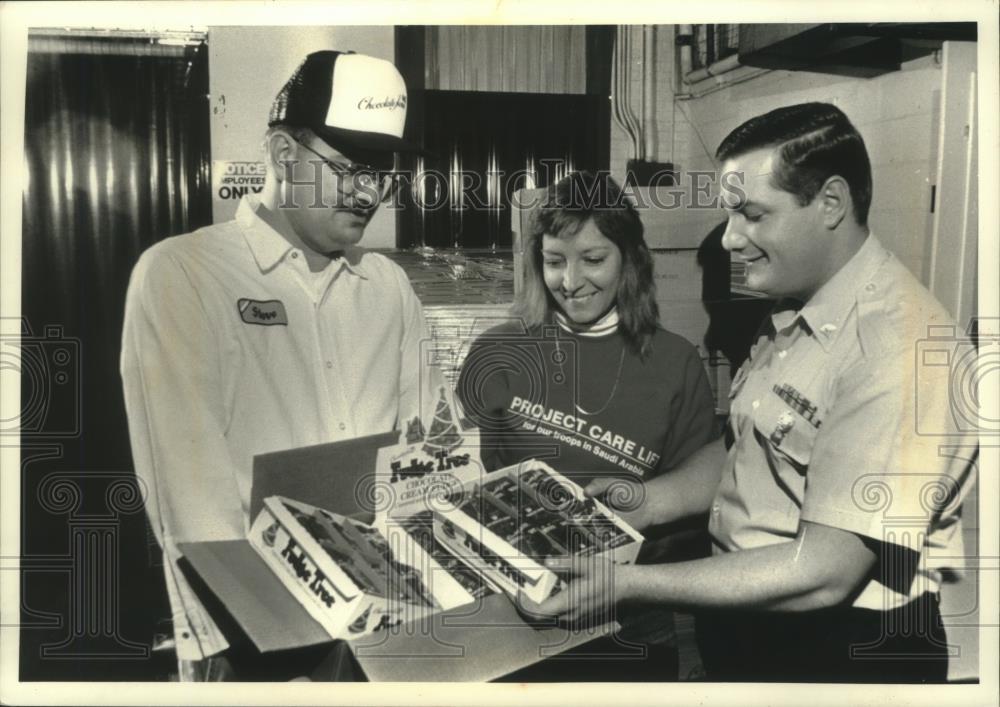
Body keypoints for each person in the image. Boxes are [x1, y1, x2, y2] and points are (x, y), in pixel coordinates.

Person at [534, 103, 978, 683]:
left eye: (752, 215)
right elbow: (747, 449)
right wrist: (642, 502)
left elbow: (825, 571)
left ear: (831, 204)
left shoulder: (898, 347)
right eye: (729, 214)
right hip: (755, 625)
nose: (729, 239)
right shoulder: (801, 309)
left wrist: (626, 584)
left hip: (841, 652)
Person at [120, 50, 441, 680]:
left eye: (382, 172)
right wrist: (268, 641)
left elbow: (425, 447)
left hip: (387, 624)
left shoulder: (389, 288)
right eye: (348, 168)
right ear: (283, 155)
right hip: (250, 636)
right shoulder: (183, 276)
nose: (369, 192)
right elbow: (192, 499)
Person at [457, 171, 718, 681]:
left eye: (593, 260)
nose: (571, 282)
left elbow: (700, 484)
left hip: (632, 611)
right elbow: (466, 473)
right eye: (554, 262)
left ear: (631, 261)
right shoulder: (496, 351)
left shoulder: (676, 360)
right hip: (515, 603)